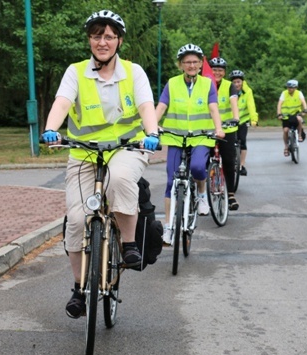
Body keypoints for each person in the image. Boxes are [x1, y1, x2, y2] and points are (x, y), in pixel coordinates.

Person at [41, 10, 160, 319]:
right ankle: (80, 289)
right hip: (83, 153)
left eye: (109, 36)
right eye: (97, 36)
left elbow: (147, 106)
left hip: (128, 148)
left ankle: (130, 244)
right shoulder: (76, 72)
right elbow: (62, 104)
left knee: (120, 179)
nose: (102, 42)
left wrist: (152, 134)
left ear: (118, 40)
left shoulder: (133, 72)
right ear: (90, 40)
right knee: (78, 220)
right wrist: (52, 128)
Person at [156, 44, 225, 244]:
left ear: (201, 64)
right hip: (176, 137)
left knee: (197, 168)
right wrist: (152, 126)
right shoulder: (172, 83)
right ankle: (169, 228)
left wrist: (218, 128)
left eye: (195, 62)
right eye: (187, 62)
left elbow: (213, 108)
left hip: (201, 136)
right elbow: (161, 107)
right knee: (171, 182)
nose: (191, 65)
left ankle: (202, 194)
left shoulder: (207, 84)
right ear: (181, 65)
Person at [209, 57, 240, 210]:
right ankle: (201, 191)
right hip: (208, 128)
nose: (217, 72)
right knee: (202, 160)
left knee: (228, 161)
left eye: (220, 70)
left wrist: (236, 118)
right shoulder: (205, 84)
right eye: (214, 69)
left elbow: (234, 102)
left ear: (224, 72)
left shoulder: (230, 86)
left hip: (227, 129)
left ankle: (231, 194)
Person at [228, 69, 258, 176]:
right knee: (230, 143)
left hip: (243, 120)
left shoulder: (247, 91)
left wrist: (254, 119)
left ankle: (241, 165)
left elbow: (251, 106)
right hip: (231, 121)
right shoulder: (228, 90)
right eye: (234, 82)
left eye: (238, 82)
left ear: (242, 82)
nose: (236, 84)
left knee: (242, 141)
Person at [277, 79, 307, 157]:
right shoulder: (284, 93)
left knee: (299, 119)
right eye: (288, 87)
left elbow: (303, 102)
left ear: (295, 88)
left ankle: (300, 135)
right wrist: (279, 114)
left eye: (291, 88)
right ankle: (286, 147)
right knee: (285, 130)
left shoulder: (299, 93)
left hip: (296, 113)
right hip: (286, 115)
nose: (289, 89)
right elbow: (279, 104)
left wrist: (305, 110)